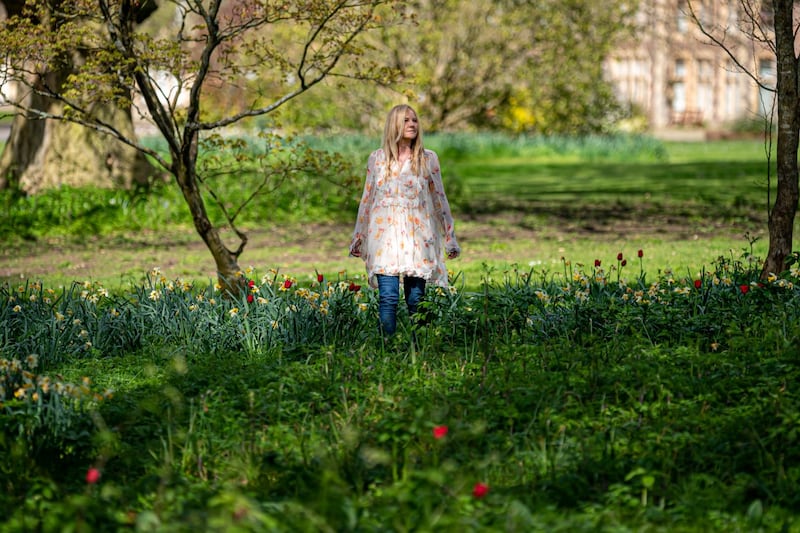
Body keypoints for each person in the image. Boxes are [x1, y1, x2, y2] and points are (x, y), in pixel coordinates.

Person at [349, 104, 460, 337]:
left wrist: (450, 236)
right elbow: (367, 200)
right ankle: (387, 350)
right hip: (384, 237)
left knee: (416, 299)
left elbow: (440, 199)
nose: (412, 125)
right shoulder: (377, 159)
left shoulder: (428, 159)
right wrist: (358, 236)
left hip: (417, 237)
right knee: (388, 297)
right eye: (406, 120)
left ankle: (419, 348)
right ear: (394, 125)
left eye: (414, 120)